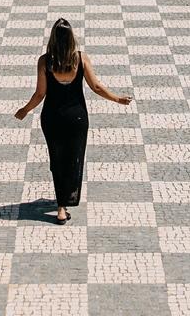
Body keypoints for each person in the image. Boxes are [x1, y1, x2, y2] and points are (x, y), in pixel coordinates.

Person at [14, 17, 133, 224]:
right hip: (77, 118)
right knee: (74, 159)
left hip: (52, 118)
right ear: (71, 39)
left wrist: (24, 110)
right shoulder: (81, 59)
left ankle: (61, 207)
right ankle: (68, 199)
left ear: (52, 38)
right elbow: (96, 87)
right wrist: (118, 99)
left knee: (57, 160)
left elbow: (40, 94)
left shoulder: (45, 61)